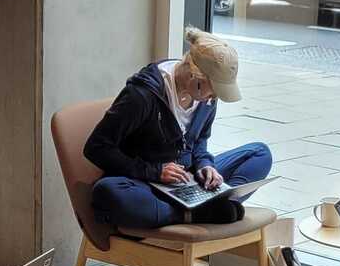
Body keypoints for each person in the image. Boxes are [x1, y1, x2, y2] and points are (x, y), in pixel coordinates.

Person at [84, 26, 272, 229]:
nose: (214, 98)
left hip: (188, 179)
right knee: (107, 191)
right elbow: (96, 147)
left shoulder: (207, 99)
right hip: (147, 183)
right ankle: (193, 213)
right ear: (195, 75)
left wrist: (205, 165)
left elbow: (199, 141)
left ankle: (208, 203)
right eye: (214, 91)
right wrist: (155, 172)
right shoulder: (141, 96)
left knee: (260, 153)